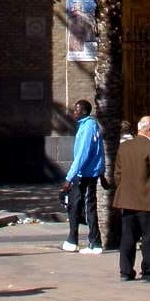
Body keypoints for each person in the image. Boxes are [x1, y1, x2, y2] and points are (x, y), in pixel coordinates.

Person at [112, 115, 150, 284]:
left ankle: (126, 271)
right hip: (147, 200)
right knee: (149, 237)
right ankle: (149, 272)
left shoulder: (124, 147)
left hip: (127, 200)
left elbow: (117, 174)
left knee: (128, 237)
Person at [60, 99, 104, 254]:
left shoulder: (87, 127)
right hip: (90, 172)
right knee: (86, 206)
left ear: (84, 111)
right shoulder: (90, 126)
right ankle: (91, 242)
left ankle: (82, 241)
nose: (74, 112)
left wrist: (69, 177)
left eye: (76, 110)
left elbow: (82, 155)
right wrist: (101, 171)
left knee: (78, 207)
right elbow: (100, 152)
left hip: (83, 173)